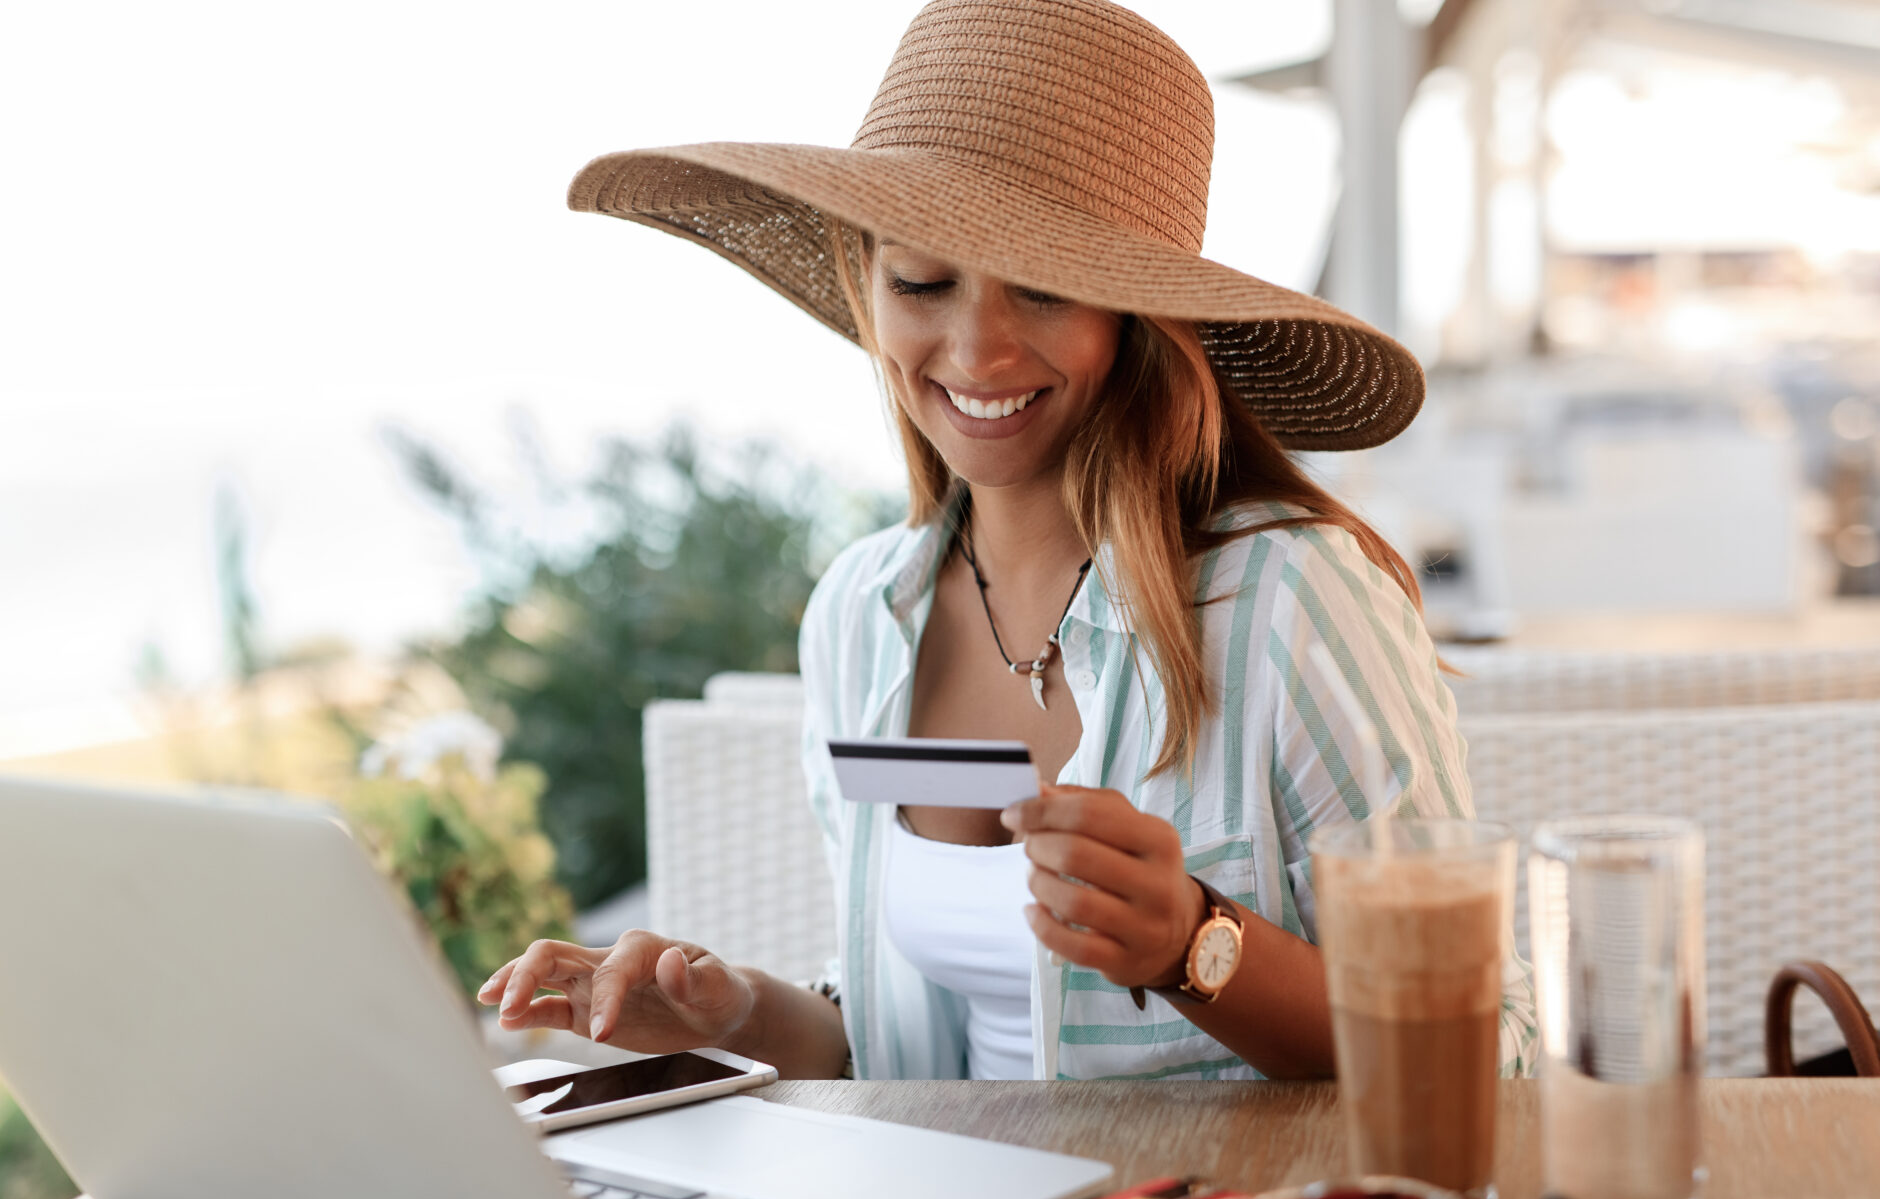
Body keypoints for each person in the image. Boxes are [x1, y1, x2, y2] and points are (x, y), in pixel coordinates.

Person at [478, 0, 1536, 1083]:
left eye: (1044, 285)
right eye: (923, 282)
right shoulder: (860, 615)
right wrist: (734, 1013)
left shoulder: (1288, 596)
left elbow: (1481, 1049)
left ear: (1135, 315)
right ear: (865, 283)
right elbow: (899, 1050)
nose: (977, 350)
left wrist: (1193, 947)